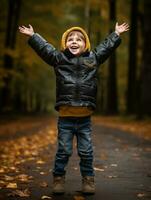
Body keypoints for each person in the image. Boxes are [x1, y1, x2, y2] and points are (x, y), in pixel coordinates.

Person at [19, 22, 129, 194]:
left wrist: (116, 34)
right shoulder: (59, 59)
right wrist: (34, 36)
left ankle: (88, 180)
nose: (74, 41)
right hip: (65, 118)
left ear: (85, 44)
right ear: (65, 44)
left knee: (86, 152)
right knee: (64, 151)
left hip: (85, 119)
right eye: (70, 39)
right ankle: (58, 179)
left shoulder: (93, 58)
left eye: (79, 39)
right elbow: (45, 49)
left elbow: (105, 48)